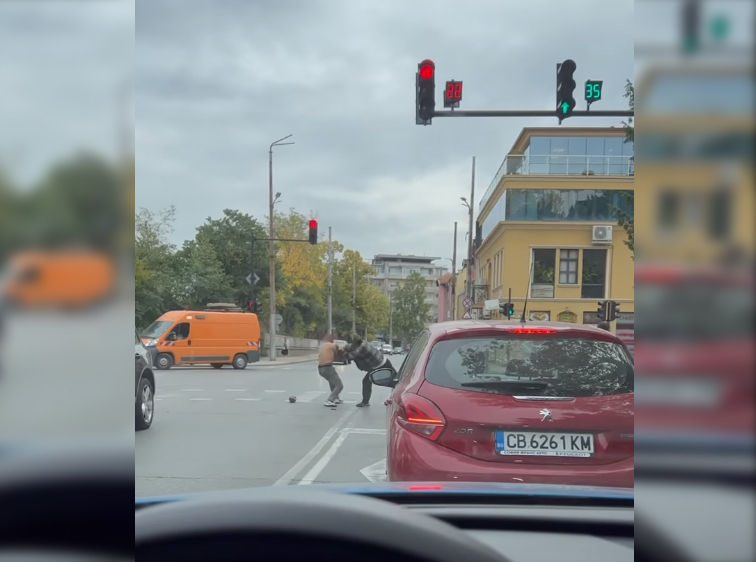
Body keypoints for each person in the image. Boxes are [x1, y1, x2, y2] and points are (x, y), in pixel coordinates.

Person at [343, 334, 395, 408]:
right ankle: (365, 401)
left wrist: (345, 350)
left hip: (379, 365)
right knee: (395, 380)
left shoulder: (360, 349)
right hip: (383, 362)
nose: (350, 345)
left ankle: (365, 401)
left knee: (390, 382)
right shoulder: (363, 343)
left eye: (351, 344)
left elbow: (350, 356)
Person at [317, 334, 344, 407]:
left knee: (333, 383)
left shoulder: (323, 346)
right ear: (331, 339)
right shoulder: (331, 345)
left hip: (321, 368)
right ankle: (330, 400)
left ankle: (336, 398)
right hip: (327, 368)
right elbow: (340, 348)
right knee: (339, 385)